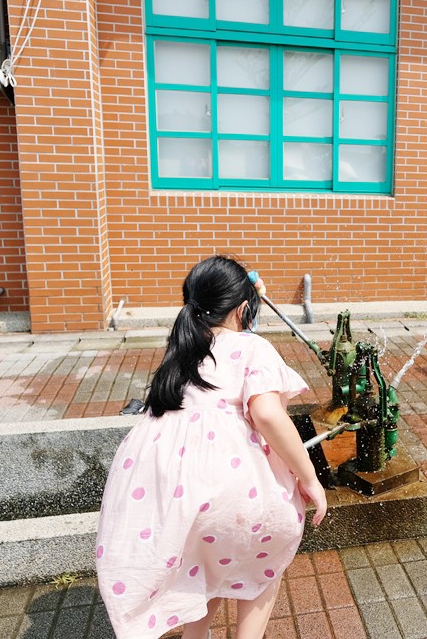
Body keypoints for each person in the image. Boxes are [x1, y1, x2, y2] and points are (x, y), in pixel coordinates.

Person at [96, 256, 327, 639]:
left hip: (177, 500)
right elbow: (267, 414)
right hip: (239, 493)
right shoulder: (252, 347)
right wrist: (310, 478)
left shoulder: (181, 354)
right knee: (260, 569)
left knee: (202, 576)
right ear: (242, 309)